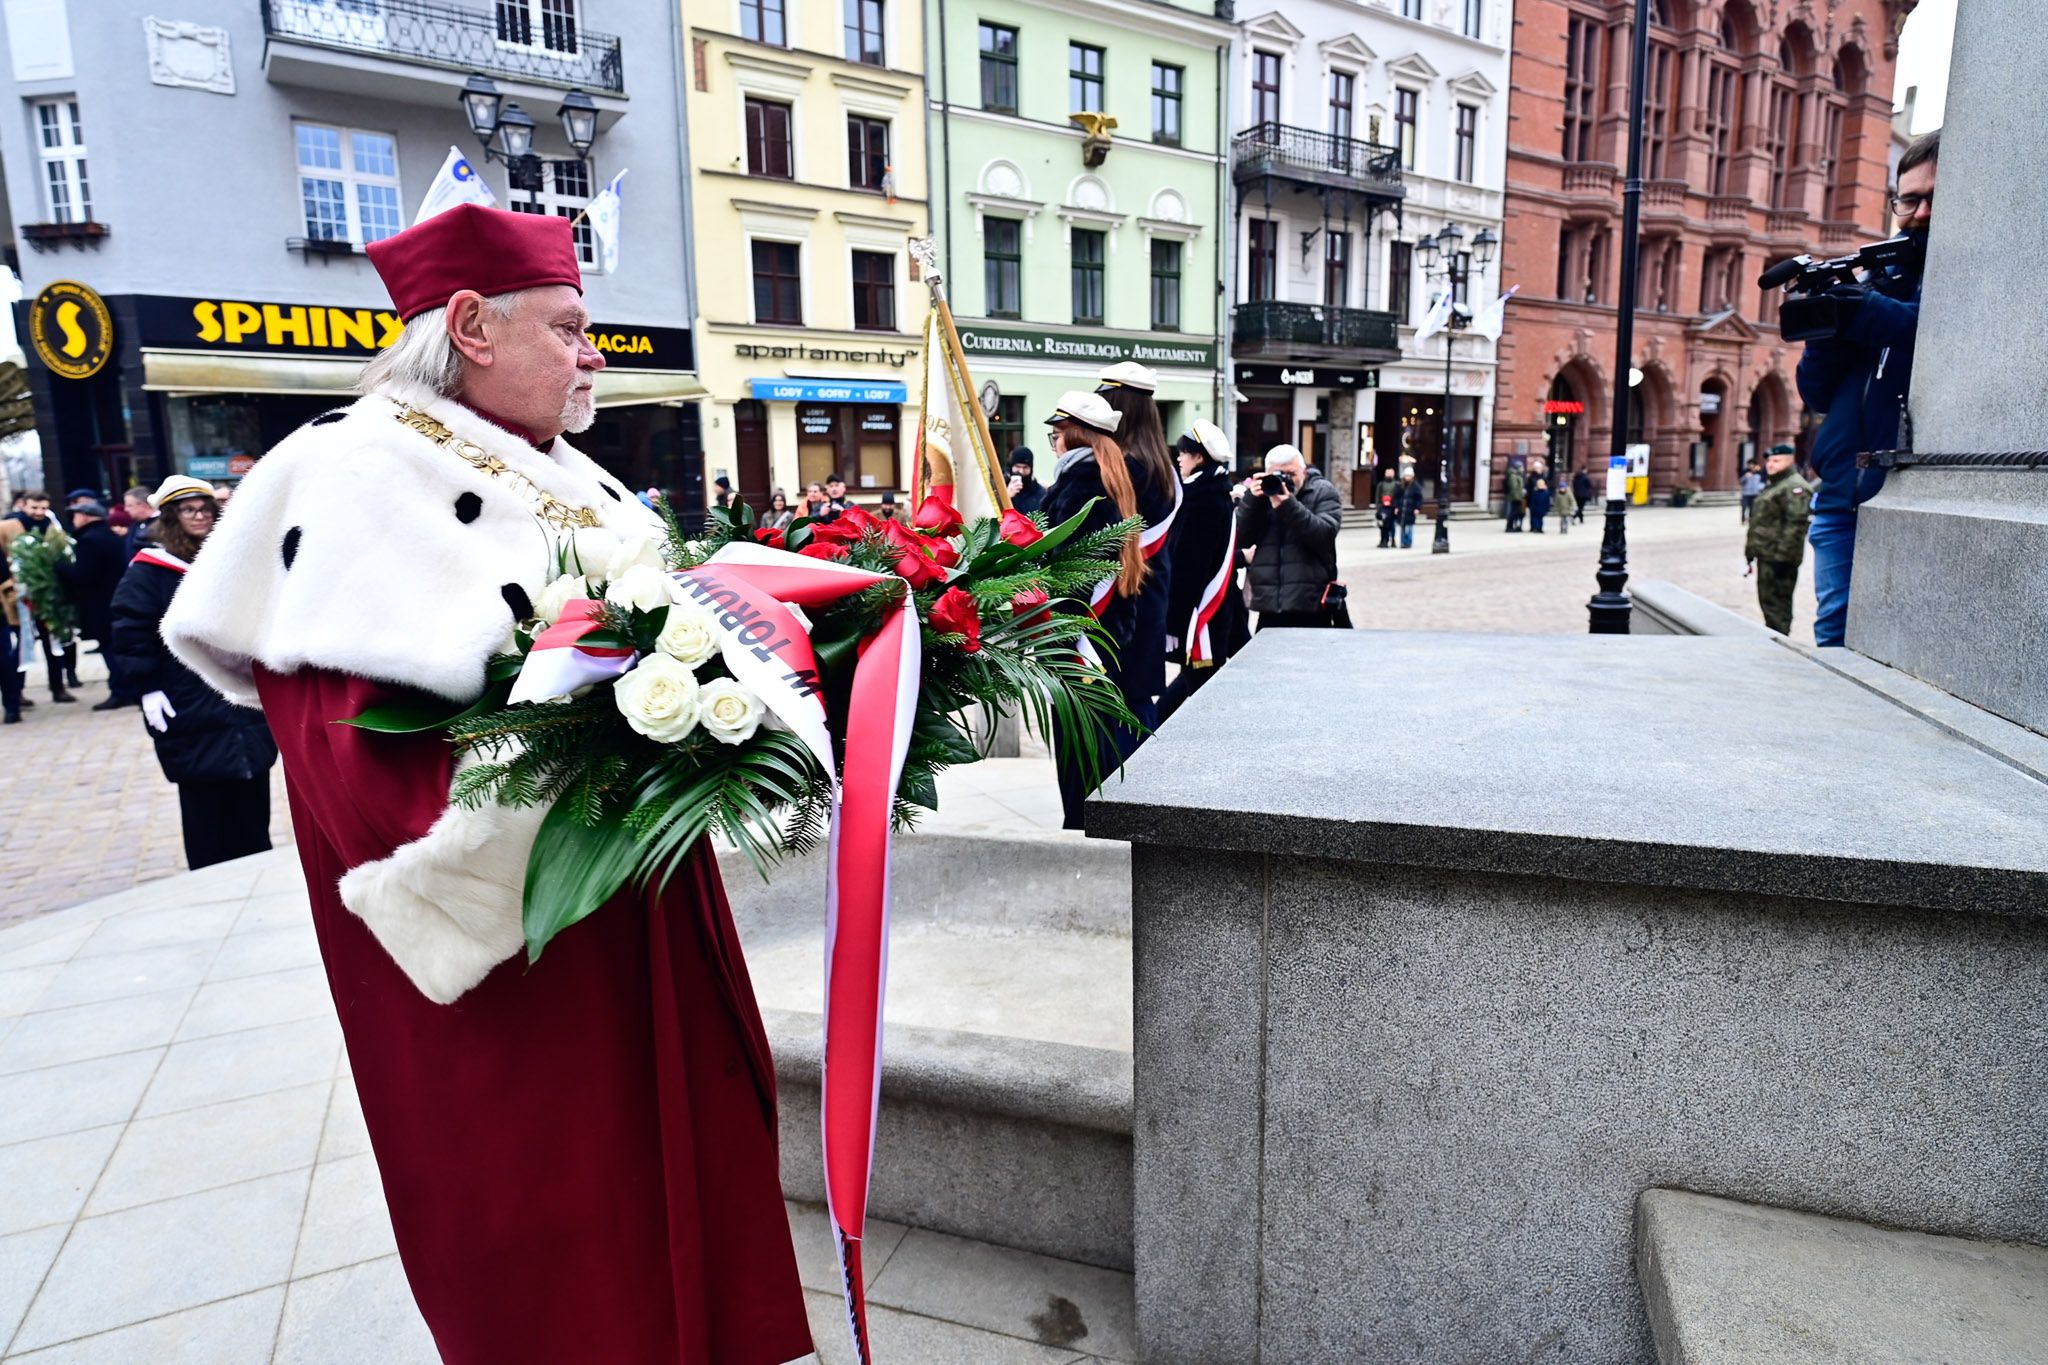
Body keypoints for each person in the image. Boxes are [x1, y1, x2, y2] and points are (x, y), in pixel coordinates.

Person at [159, 204, 811, 1363]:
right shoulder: (347, 480)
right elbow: (360, 772)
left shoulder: (576, 479)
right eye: (568, 328)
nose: (592, 355)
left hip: (634, 915)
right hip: (522, 966)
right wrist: (629, 740)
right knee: (570, 1256)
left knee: (683, 1222)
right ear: (469, 325)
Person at [1798, 127, 1934, 647]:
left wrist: (1870, 313)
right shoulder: (1877, 276)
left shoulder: (1955, 279)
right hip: (1840, 495)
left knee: (1897, 647)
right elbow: (1816, 394)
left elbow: (1941, 334)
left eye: (1934, 199)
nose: (1919, 213)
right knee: (1834, 632)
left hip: (1905, 497)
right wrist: (1826, 332)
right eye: (1910, 199)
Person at [110, 476, 278, 864]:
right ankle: (210, 876)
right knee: (206, 807)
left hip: (240, 694)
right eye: (189, 510)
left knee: (252, 793)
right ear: (172, 516)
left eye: (205, 509)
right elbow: (130, 631)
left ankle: (257, 868)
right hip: (187, 695)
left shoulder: (228, 559)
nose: (200, 516)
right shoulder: (150, 571)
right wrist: (147, 687)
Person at [1039, 390, 1170, 828]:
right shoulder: (1108, 476)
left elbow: (1069, 571)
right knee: (1098, 756)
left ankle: (1085, 839)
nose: (1053, 444)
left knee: (1082, 763)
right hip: (1107, 640)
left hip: (1079, 646)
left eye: (1055, 435)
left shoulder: (1081, 485)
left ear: (1073, 436)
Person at [1093, 360, 1178, 718]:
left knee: (1120, 711)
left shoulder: (1125, 468)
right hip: (1151, 595)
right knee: (1137, 701)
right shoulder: (1161, 466)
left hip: (1122, 597)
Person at [1158, 421, 1249, 721]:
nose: (1179, 459)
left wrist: (1175, 615)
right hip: (1216, 603)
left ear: (1199, 457)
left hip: (1204, 608)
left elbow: (1191, 563)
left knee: (1199, 676)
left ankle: (1149, 730)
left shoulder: (1202, 499)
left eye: (1184, 453)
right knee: (1199, 676)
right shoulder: (1210, 491)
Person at [1238, 444, 1341, 625]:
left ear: (1304, 471)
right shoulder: (1262, 496)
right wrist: (1252, 501)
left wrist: (1288, 506)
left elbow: (1324, 535)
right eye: (1279, 475)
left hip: (1310, 603)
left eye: (1292, 474)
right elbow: (1241, 538)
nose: (1286, 481)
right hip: (1269, 604)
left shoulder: (1322, 491)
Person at [55, 501, 136, 710]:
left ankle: (120, 691)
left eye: (76, 515)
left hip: (100, 604)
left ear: (85, 516)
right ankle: (125, 688)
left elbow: (84, 576)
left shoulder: (89, 541)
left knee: (109, 648)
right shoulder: (109, 536)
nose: (73, 519)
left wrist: (60, 567)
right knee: (115, 647)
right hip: (116, 599)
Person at [0, 489, 76, 704]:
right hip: (17, 597)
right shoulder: (6, 528)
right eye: (34, 507)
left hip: (48, 597)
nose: (39, 512)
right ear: (23, 505)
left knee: (54, 645)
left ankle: (57, 687)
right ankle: (17, 691)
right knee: (22, 645)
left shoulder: (52, 529)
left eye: (43, 508)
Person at [1745, 444, 1814, 635]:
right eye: (1768, 461)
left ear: (1790, 461)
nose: (1770, 464)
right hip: (1767, 554)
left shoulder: (1794, 486)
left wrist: (1782, 558)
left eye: (1776, 461)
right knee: (1769, 603)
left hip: (1779, 559)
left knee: (1777, 607)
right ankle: (1775, 638)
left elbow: (1796, 525)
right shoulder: (1776, 484)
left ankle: (1781, 643)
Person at [1390, 462, 1426, 550]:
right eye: (1406, 476)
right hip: (1402, 509)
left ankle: (1408, 542)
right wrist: (1396, 507)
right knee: (1402, 526)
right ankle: (1403, 542)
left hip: (1411, 509)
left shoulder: (1416, 487)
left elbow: (1419, 498)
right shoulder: (1400, 486)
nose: (1407, 478)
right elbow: (1396, 497)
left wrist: (1417, 508)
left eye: (1409, 476)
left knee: (1409, 527)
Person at [122, 486, 159, 559]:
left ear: (143, 505)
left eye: (129, 505)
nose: (126, 509)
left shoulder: (163, 524)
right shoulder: (135, 524)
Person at [1007, 449, 1046, 515]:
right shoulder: (1001, 488)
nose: (1021, 471)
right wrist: (1007, 496)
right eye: (1018, 466)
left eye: (1025, 467)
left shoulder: (1039, 492)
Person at [1374, 466, 1400, 548]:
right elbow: (1377, 497)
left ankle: (1393, 540)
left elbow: (1398, 497)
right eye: (1388, 473)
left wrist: (1397, 506)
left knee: (1392, 525)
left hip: (1392, 508)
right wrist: (1378, 508)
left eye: (1391, 473)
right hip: (1383, 508)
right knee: (1383, 525)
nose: (1389, 474)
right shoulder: (1381, 485)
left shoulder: (1397, 484)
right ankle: (1383, 540)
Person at [1527, 458, 1552, 533]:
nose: (1539, 469)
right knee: (1533, 514)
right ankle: (1533, 527)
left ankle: (1538, 527)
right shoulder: (1532, 477)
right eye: (1538, 468)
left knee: (1539, 515)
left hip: (1541, 498)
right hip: (1533, 497)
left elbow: (1547, 485)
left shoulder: (1543, 476)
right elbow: (1530, 486)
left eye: (1540, 468)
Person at [1503, 461, 1526, 532]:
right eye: (1521, 467)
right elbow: (1514, 488)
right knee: (1513, 512)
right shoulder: (1513, 476)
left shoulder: (1518, 475)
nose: (1523, 468)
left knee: (1515, 512)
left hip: (1518, 496)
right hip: (1515, 497)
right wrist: (1518, 496)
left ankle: (1512, 526)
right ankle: (1509, 527)